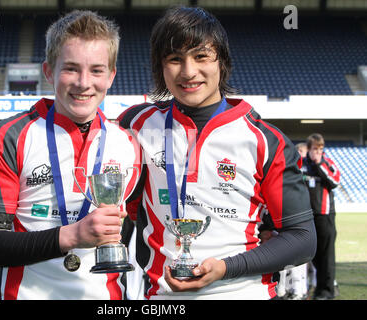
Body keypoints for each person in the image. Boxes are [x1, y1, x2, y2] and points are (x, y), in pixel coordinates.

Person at [118, 6, 316, 299]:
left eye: (201, 56)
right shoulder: (135, 125)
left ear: (221, 61)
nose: (188, 72)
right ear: (160, 67)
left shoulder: (265, 140)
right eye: (174, 59)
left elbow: (302, 239)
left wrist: (226, 267)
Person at [0, 10, 140, 300]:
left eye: (97, 70)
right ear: (48, 71)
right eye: (71, 68)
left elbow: (136, 231)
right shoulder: (7, 137)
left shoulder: (130, 143)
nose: (83, 82)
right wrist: (73, 236)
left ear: (111, 76)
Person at [302, 133, 340, 300]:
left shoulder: (327, 163)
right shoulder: (301, 165)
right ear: (309, 149)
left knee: (326, 256)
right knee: (313, 256)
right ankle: (316, 289)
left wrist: (319, 163)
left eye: (320, 149)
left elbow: (335, 182)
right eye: (315, 149)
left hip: (324, 215)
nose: (318, 152)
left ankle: (328, 291)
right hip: (306, 216)